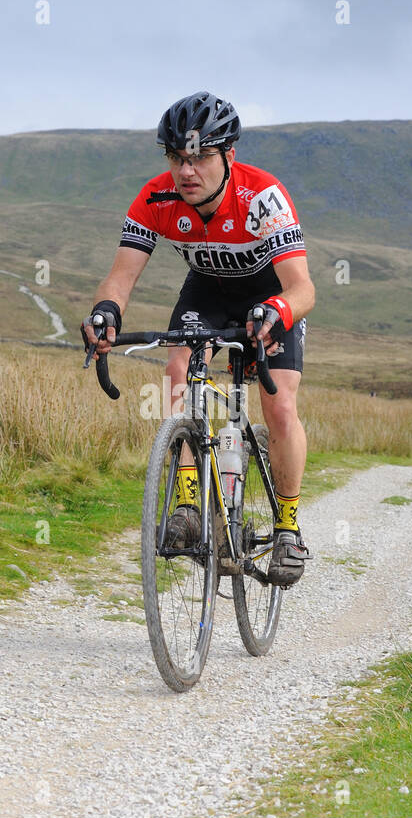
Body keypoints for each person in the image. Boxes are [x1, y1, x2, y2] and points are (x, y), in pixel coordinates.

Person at [81, 92, 315, 586]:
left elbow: (303, 287)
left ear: (229, 155)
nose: (187, 171)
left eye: (201, 157)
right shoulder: (156, 197)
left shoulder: (262, 197)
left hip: (269, 294)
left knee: (280, 405)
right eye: (177, 158)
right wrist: (106, 311)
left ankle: (289, 528)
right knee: (176, 371)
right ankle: (188, 503)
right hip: (207, 290)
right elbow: (120, 278)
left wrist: (275, 312)